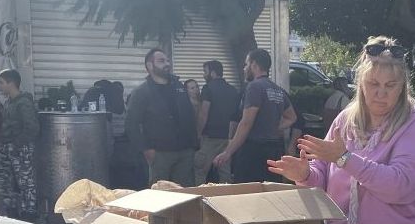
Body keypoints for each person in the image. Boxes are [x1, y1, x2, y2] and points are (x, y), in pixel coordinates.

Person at [267, 36, 415, 224]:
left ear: (403, 86)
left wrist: (345, 158)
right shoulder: (344, 120)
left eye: (390, 86)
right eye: (373, 84)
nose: (380, 93)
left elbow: (402, 186)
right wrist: (305, 175)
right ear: (360, 83)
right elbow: (323, 174)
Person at [213, 49, 296, 183]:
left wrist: (228, 152)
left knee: (248, 191)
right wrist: (273, 126)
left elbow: (246, 123)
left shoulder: (254, 87)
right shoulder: (277, 89)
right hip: (274, 150)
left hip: (253, 151)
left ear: (254, 65)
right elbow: (291, 117)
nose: (244, 68)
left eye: (246, 64)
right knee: (270, 190)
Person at [125, 48, 198, 187]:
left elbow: (189, 114)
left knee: (186, 193)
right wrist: (146, 150)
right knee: (160, 194)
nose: (167, 64)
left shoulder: (179, 87)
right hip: (160, 154)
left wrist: (194, 144)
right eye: (161, 61)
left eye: (167, 61)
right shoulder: (142, 92)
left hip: (185, 151)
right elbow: (131, 124)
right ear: (150, 65)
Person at [0, 69, 39, 220]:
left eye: (1, 82)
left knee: (26, 182)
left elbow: (32, 128)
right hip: (6, 148)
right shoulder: (9, 102)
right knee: (5, 182)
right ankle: (10, 212)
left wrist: (16, 144)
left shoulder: (24, 103)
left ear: (11, 83)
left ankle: (29, 214)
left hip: (20, 149)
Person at [195, 60, 239, 184]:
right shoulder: (232, 90)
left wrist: (198, 134)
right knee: (225, 173)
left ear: (213, 73)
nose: (204, 75)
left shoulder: (208, 88)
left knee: (200, 170)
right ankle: (227, 195)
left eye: (205, 72)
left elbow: (204, 113)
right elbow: (236, 115)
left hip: (210, 138)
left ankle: (200, 195)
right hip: (227, 138)